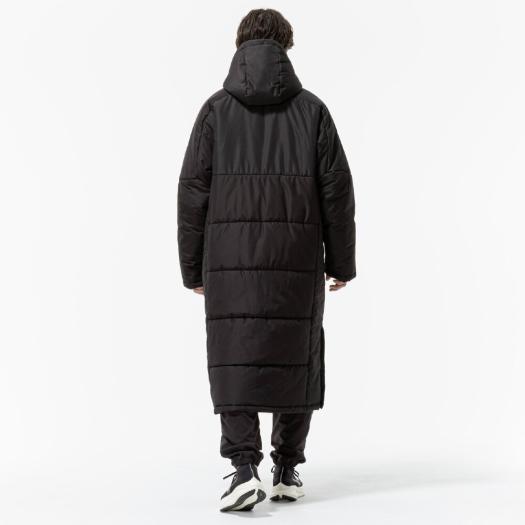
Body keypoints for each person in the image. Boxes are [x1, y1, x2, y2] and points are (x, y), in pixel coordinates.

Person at [177, 8, 356, 512]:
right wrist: (341, 262)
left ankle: (242, 469)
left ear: (239, 46)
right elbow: (337, 192)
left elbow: (192, 194)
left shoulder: (215, 111)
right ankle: (286, 469)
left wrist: (192, 267)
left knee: (234, 353)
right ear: (286, 48)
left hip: (228, 258)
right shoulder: (313, 110)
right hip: (296, 255)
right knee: (296, 353)